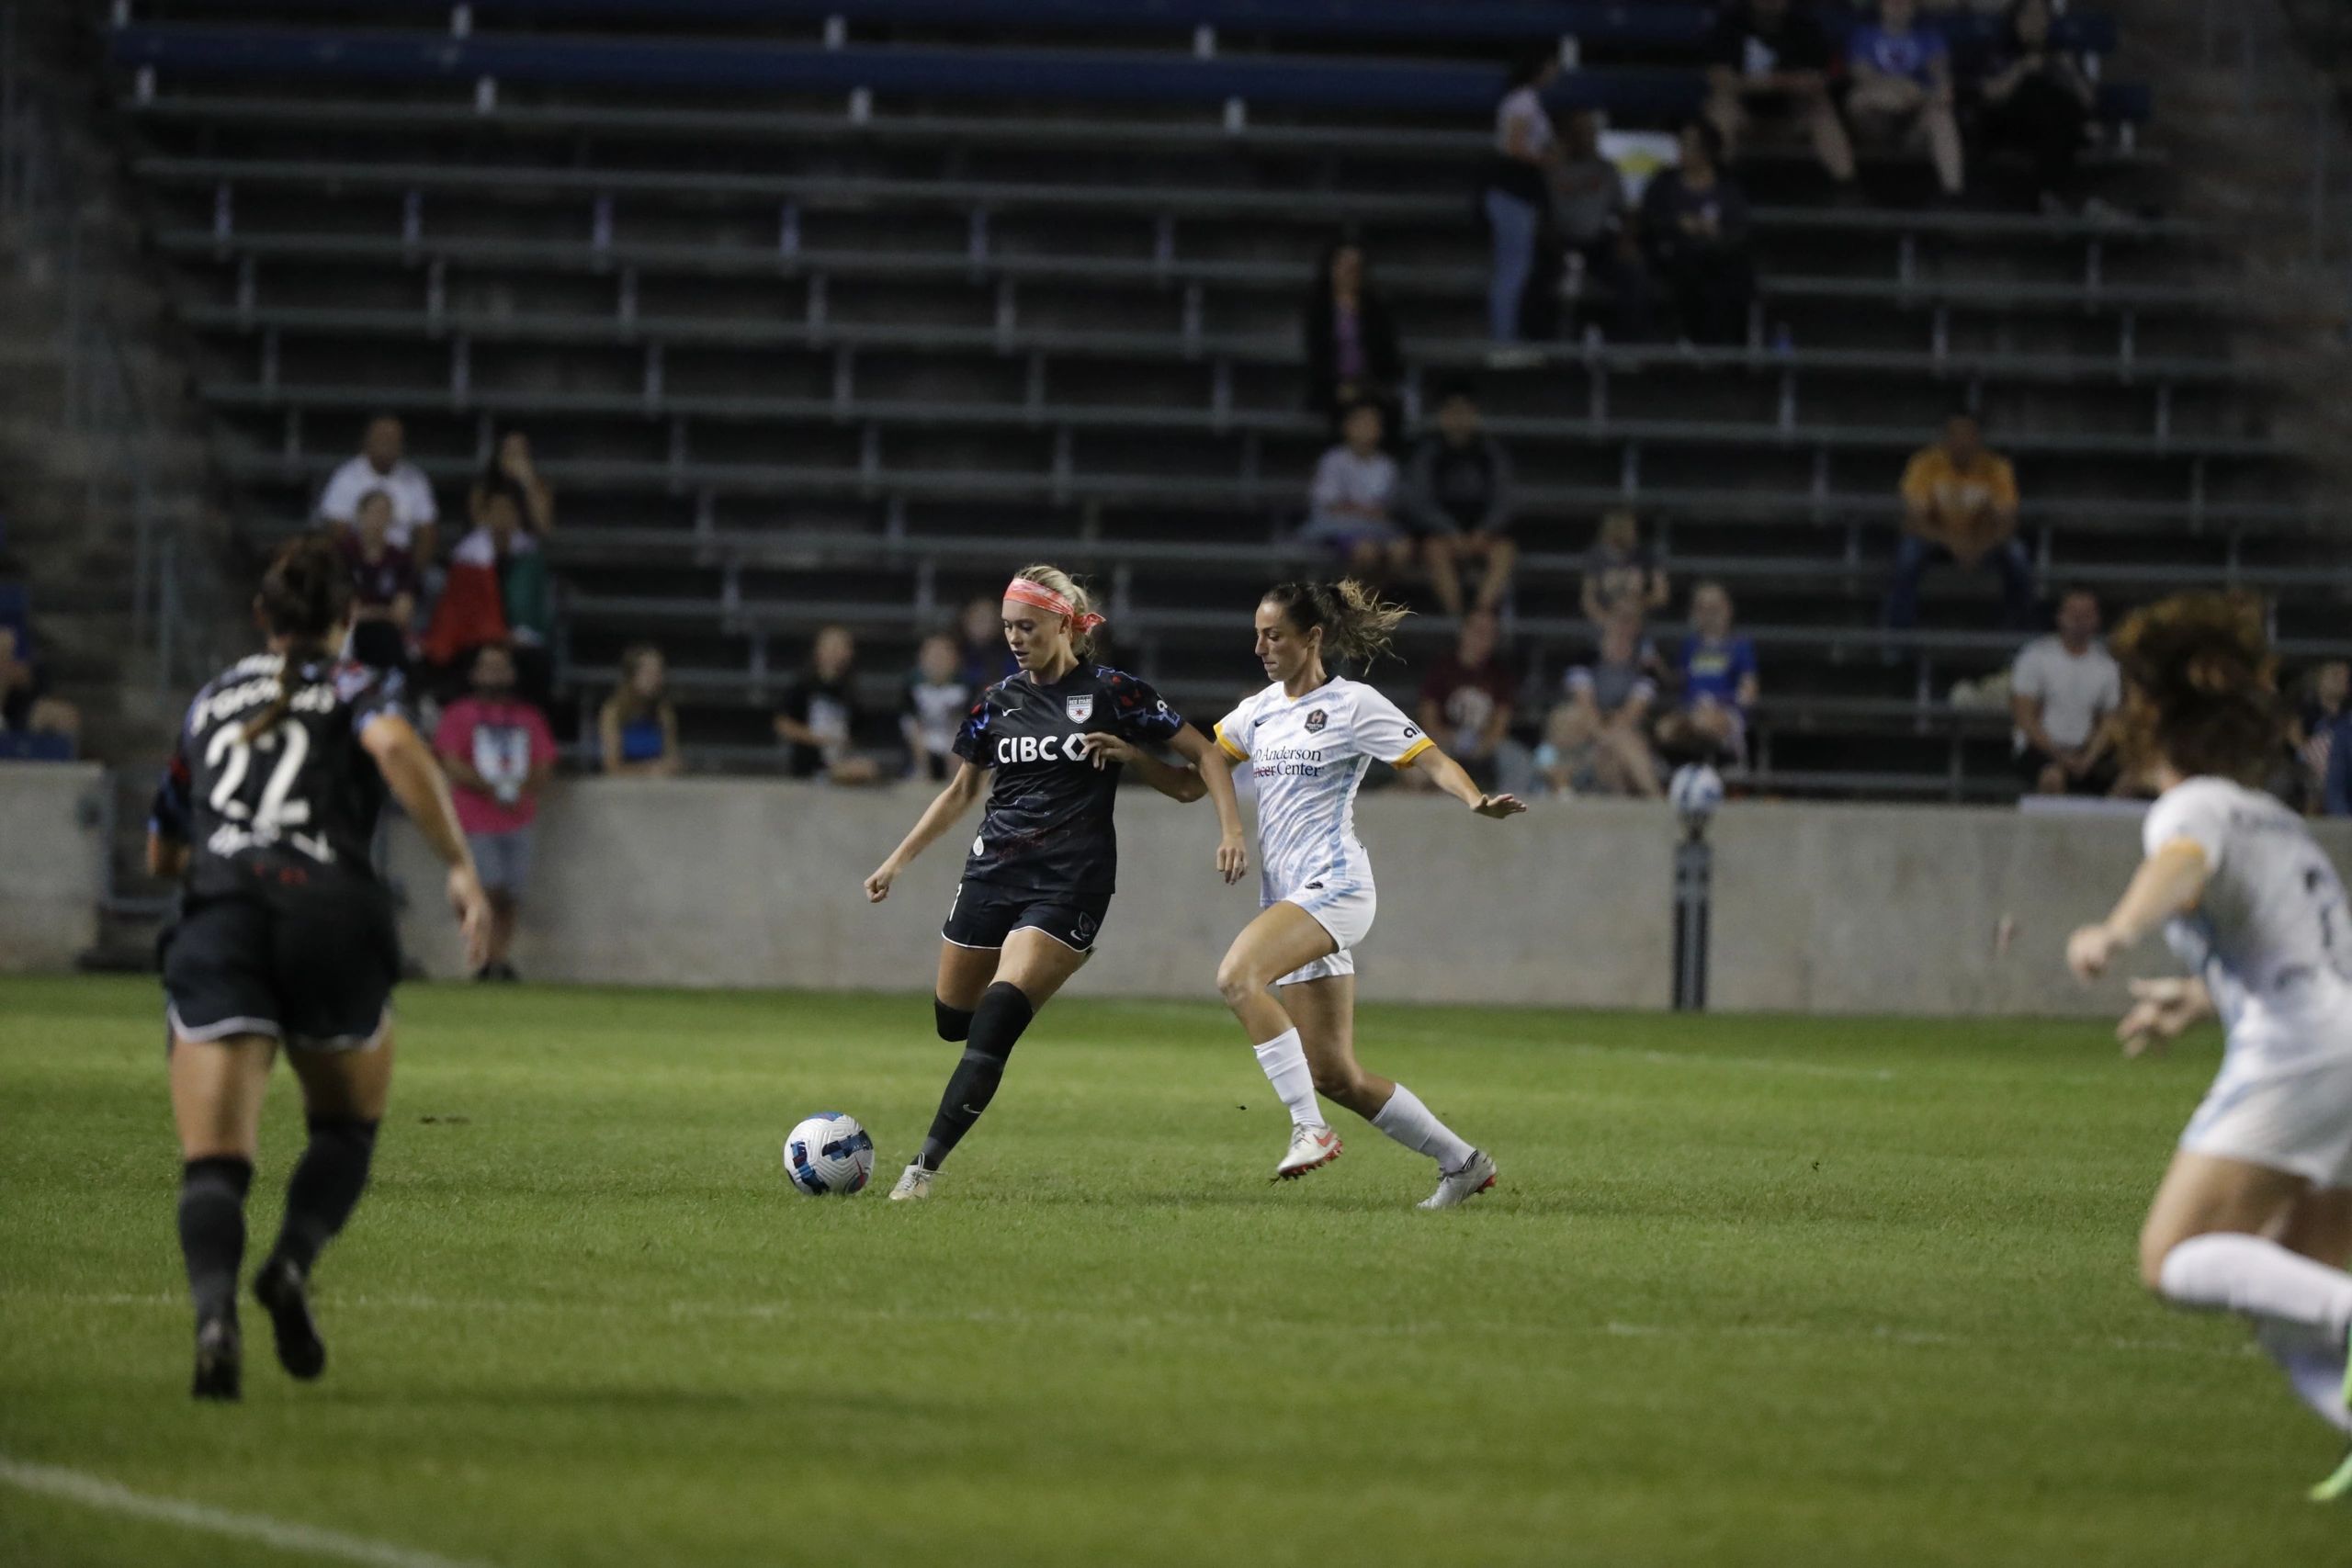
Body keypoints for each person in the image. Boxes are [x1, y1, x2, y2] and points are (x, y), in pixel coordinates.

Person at [145, 532, 490, 1401]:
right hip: (333, 913)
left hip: (224, 917)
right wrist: (456, 864)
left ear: (262, 616)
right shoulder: (355, 683)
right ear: (346, 620)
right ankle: (291, 1263)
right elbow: (398, 749)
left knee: (216, 1162)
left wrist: (218, 861)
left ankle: (215, 1316)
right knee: (344, 1128)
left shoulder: (214, 697)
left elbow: (162, 847)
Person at [2061, 593, 2352, 1502]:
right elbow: (2297, 945)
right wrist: (2194, 999)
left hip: (2301, 1053)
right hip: (2338, 1038)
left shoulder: (2192, 808)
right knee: (2286, 1284)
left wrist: (2114, 931)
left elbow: (2179, 864)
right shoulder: (2271, 816)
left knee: (2174, 1260)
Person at [863, 566, 1249, 1200]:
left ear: (1065, 625)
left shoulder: (1114, 692)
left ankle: (921, 1169)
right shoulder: (997, 699)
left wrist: (1231, 830)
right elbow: (963, 790)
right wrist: (898, 860)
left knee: (995, 1021)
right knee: (952, 1021)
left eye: (1029, 627)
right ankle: (1014, 989)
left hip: (1071, 881)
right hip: (992, 871)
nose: (1016, 638)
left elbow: (1204, 752)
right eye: (1010, 627)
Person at [1209, 581, 1523, 1207]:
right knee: (1335, 1074)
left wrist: (1474, 798)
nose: (1261, 646)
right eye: (1258, 634)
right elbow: (1209, 756)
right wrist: (1224, 821)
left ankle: (1309, 1130)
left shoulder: (1354, 705)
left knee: (1238, 976)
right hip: (1290, 901)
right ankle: (1462, 1161)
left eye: (1275, 635)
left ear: (1313, 637)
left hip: (1337, 885)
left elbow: (1428, 757)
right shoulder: (1260, 709)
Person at [434, 643, 556, 982]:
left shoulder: (528, 717)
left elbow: (544, 762)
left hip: (518, 817)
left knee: (510, 895)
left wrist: (520, 790)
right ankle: (481, 955)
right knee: (486, 890)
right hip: (474, 818)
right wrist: (492, 789)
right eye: (487, 667)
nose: (495, 674)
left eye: (501, 667)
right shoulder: (459, 714)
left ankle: (498, 958)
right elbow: (450, 761)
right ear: (474, 674)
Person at [1887, 412, 2033, 630]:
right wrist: (1953, 543)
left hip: (1982, 541)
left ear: (1978, 439)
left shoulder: (1997, 467)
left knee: (2018, 555)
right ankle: (1898, 636)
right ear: (1945, 438)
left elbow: (2007, 522)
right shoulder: (1925, 463)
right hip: (1936, 539)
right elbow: (1914, 520)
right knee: (1907, 555)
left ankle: (2017, 632)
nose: (1962, 442)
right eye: (1956, 435)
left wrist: (1979, 546)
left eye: (1968, 435)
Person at [1704, 0, 1858, 191]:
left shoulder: (1805, 25)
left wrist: (1762, 82)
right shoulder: (1730, 23)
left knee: (1821, 108)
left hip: (1792, 116)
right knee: (1721, 108)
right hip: (1745, 116)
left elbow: (1816, 80)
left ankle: (1847, 187)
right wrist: (1780, 82)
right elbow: (1720, 78)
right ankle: (1710, 189)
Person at [1400, 380, 1520, 617]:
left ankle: (1479, 614)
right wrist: (1450, 531)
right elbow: (1420, 502)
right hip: (1443, 535)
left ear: (1475, 415)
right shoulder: (1428, 454)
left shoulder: (1491, 453)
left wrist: (1484, 531)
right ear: (1442, 416)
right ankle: (1456, 618)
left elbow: (1504, 499)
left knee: (1506, 551)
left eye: (1465, 411)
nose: (1458, 418)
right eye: (1453, 412)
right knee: (1434, 550)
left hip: (1483, 534)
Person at [1638, 121, 1758, 346]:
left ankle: (1729, 347)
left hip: (1718, 257)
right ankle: (1688, 336)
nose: (1681, 150)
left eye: (1688, 145)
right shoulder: (1664, 182)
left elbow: (1740, 229)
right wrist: (1677, 223)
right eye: (1681, 143)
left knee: (1735, 274)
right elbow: (1649, 218)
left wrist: (1715, 233)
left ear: (1707, 152)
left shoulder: (1727, 187)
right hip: (1675, 256)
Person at [1976, 0, 2098, 213]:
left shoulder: (2058, 54)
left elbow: (2088, 101)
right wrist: (2022, 69)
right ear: (2017, 20)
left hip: (2050, 128)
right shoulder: (2002, 50)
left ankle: (2046, 197)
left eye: (2042, 17)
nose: (2036, 23)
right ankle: (2049, 194)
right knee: (2038, 90)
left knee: (2059, 113)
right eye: (2030, 16)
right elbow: (1990, 94)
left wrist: (2072, 73)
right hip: (2007, 125)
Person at [1846, 0, 1966, 199]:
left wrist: (1919, 95)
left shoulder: (1929, 38)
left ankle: (1954, 194)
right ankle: (1848, 190)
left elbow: (1943, 85)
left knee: (1941, 116)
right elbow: (1861, 75)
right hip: (1877, 123)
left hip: (1916, 122)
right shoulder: (1865, 35)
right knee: (1858, 100)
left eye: (1905, 2)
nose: (1898, 5)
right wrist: (1900, 89)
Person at [1541, 604, 1664, 798]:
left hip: (1623, 739)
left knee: (1623, 740)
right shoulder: (1584, 660)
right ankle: (1555, 782)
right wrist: (1602, 736)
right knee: (1566, 717)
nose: (1620, 639)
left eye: (1626, 635)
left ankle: (1655, 798)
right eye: (1615, 633)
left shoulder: (1644, 672)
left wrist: (1606, 739)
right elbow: (1585, 706)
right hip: (1590, 733)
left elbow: (1630, 715)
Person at [2011, 585, 2121, 796]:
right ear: (2060, 616)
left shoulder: (2107, 666)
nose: (2079, 621)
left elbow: (2110, 720)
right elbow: (2025, 718)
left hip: (2086, 750)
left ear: (2097, 619)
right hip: (2042, 748)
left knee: (2132, 777)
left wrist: (2089, 757)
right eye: (2073, 614)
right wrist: (2060, 756)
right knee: (2052, 777)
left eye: (2086, 615)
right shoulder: (2036, 657)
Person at [1485, 48, 1562, 344]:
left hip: (1519, 190)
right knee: (1513, 267)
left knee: (1517, 265)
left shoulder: (1526, 100)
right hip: (1513, 189)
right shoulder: (1523, 101)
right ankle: (1503, 339)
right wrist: (1548, 160)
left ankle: (1508, 334)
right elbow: (1515, 146)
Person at [1302, 238, 1405, 432]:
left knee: (1385, 413)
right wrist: (1338, 386)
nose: (1349, 272)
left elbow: (1387, 356)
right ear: (1332, 268)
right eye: (1344, 265)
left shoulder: (1375, 309)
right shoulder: (1319, 310)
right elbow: (1317, 357)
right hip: (1332, 388)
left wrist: (1366, 386)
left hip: (1370, 388)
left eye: (1355, 267)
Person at [1301, 401, 1408, 582]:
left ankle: (1372, 604)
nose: (1367, 428)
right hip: (1338, 527)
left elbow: (1387, 508)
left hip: (1376, 529)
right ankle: (1352, 605)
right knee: (1366, 552)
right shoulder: (1333, 460)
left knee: (1402, 550)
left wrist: (1371, 513)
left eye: (1372, 423)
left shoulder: (1386, 466)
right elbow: (1331, 505)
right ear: (1347, 427)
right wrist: (1364, 512)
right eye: (1361, 422)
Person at [1656, 581, 1760, 766]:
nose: (1709, 612)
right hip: (1691, 710)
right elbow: (1677, 681)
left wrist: (1719, 703)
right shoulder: (1690, 646)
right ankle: (1684, 770)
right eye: (1703, 606)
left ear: (1727, 609)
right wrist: (1657, 665)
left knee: (1702, 722)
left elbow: (1749, 692)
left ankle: (1727, 761)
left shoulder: (1740, 646)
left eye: (1715, 606)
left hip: (1725, 712)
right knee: (1664, 728)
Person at [1416, 610, 1520, 794]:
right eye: (1477, 631)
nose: (1482, 638)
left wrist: (1482, 744)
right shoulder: (1441, 669)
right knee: (1418, 765)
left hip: (1486, 742)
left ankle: (1508, 809)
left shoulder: (1500, 674)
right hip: (1446, 740)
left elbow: (1500, 724)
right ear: (1464, 632)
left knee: (1518, 761)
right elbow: (1428, 720)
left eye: (1488, 634)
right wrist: (1453, 739)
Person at [316, 414, 438, 566]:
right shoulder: (346, 476)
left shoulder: (416, 479)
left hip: (402, 564)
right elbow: (337, 531)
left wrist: (412, 577)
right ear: (366, 441)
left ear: (402, 444)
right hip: (358, 562)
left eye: (393, 439)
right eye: (382, 437)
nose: (387, 443)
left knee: (435, 580)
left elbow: (427, 533)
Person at [775, 625, 883, 785]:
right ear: (818, 650)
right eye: (832, 646)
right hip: (810, 765)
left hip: (837, 759)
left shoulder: (849, 689)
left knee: (868, 768)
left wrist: (844, 742)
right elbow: (783, 724)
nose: (836, 652)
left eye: (842, 647)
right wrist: (818, 739)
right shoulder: (803, 685)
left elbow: (855, 731)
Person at [336, 489, 417, 675]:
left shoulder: (400, 559)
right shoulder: (343, 555)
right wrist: (382, 612)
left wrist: (367, 612)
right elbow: (344, 612)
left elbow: (402, 615)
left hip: (387, 637)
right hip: (350, 636)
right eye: (374, 511)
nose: (378, 518)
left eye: (384, 512)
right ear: (360, 514)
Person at [598, 643, 682, 777]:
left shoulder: (664, 712)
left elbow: (672, 759)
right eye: (649, 672)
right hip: (621, 789)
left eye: (659, 672)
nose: (656, 679)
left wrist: (672, 766)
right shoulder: (613, 711)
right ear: (631, 676)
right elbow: (612, 766)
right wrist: (648, 770)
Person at [1580, 509, 1670, 627]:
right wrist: (1607, 621)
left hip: (1640, 620)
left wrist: (1637, 604)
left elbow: (1661, 595)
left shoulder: (1647, 554)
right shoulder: (1596, 557)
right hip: (1606, 622)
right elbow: (1588, 600)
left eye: (1630, 529)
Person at [902, 632, 973, 783]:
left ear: (955, 660)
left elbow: (963, 722)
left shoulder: (965, 687)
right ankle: (921, 771)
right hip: (925, 741)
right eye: (933, 657)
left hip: (953, 740)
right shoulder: (912, 686)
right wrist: (923, 762)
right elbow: (911, 723)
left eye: (944, 657)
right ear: (921, 659)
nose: (938, 662)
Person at [0, 623, 80, 747]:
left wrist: (21, 674)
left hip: (17, 711)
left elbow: (31, 674)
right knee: (3, 641)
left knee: (62, 716)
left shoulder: (15, 635)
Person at [469, 431, 555, 542]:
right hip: (487, 552)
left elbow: (544, 528)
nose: (515, 459)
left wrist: (527, 481)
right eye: (509, 451)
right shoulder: (482, 487)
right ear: (499, 455)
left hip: (523, 552)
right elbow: (477, 526)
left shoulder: (538, 487)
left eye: (520, 452)